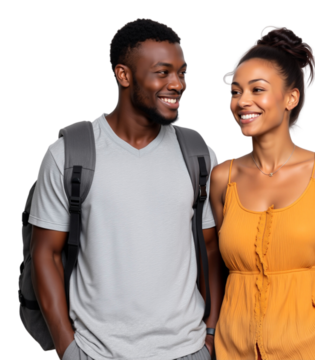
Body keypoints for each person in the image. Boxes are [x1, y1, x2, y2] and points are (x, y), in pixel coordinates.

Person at [29, 18, 225, 360]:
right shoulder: (68, 154)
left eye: (182, 73)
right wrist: (67, 346)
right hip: (96, 352)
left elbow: (210, 250)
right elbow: (45, 253)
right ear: (124, 75)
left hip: (187, 349)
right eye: (163, 72)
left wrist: (210, 332)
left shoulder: (199, 155)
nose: (177, 84)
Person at [209, 25, 315, 359]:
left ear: (291, 98)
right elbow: (216, 265)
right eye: (235, 92)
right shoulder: (224, 177)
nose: (242, 102)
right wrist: (210, 330)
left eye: (257, 90)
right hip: (234, 351)